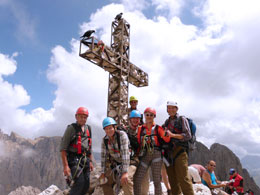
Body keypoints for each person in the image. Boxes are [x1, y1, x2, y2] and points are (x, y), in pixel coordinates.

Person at [134, 107, 170, 195]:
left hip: (156, 154)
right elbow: (139, 142)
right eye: (147, 115)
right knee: (137, 179)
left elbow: (167, 140)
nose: (149, 116)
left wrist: (166, 134)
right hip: (145, 155)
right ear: (144, 116)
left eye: (151, 115)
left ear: (154, 116)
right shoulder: (140, 129)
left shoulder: (158, 128)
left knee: (157, 181)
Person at [162, 101, 194, 195]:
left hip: (180, 151)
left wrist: (173, 135)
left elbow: (188, 135)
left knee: (183, 178)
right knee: (172, 180)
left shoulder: (182, 119)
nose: (170, 110)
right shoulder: (167, 122)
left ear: (177, 109)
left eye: (173, 108)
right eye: (169, 108)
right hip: (169, 153)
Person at [60, 107, 94, 195]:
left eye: (85, 117)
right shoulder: (71, 128)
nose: (83, 119)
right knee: (80, 182)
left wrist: (90, 161)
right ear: (76, 117)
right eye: (81, 116)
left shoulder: (88, 128)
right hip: (73, 159)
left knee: (86, 184)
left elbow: (89, 146)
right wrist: (66, 166)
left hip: (85, 159)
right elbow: (63, 149)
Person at [99, 117, 132, 195]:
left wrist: (125, 172)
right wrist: (103, 173)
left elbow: (125, 154)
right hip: (116, 164)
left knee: (125, 180)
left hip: (129, 163)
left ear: (115, 127)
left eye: (110, 128)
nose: (108, 131)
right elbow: (103, 157)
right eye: (106, 129)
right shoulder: (105, 140)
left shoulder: (122, 135)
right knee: (104, 181)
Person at [126, 110, 149, 195]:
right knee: (129, 179)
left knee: (145, 186)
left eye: (137, 118)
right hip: (132, 160)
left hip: (143, 159)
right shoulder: (125, 131)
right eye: (134, 118)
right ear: (130, 119)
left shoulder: (144, 131)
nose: (135, 120)